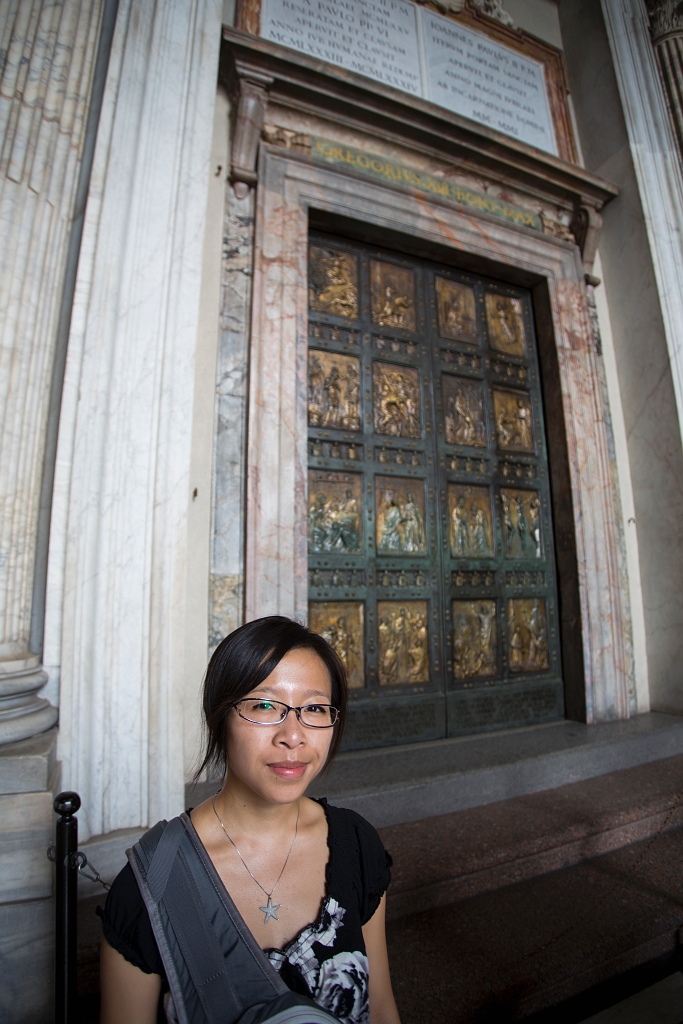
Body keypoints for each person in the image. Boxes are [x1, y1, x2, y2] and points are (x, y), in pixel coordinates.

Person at [100, 617, 400, 1024]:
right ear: (220, 717)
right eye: (264, 706)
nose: (293, 736)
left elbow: (379, 1008)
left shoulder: (355, 845)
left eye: (313, 708)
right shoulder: (154, 882)